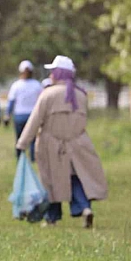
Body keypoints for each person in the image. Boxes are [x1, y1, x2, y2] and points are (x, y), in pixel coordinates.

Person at [16, 55, 107, 228]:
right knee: (76, 178)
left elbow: (34, 121)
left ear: (58, 73)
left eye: (53, 71)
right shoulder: (81, 95)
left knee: (51, 182)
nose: (50, 74)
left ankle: (52, 218)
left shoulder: (48, 94)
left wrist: (22, 143)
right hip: (77, 144)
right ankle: (85, 208)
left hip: (51, 144)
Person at [4, 60, 43, 161]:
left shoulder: (16, 85)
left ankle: (20, 157)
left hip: (19, 116)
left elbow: (11, 102)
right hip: (33, 115)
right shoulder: (37, 85)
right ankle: (33, 158)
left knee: (20, 138)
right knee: (33, 139)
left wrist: (7, 115)